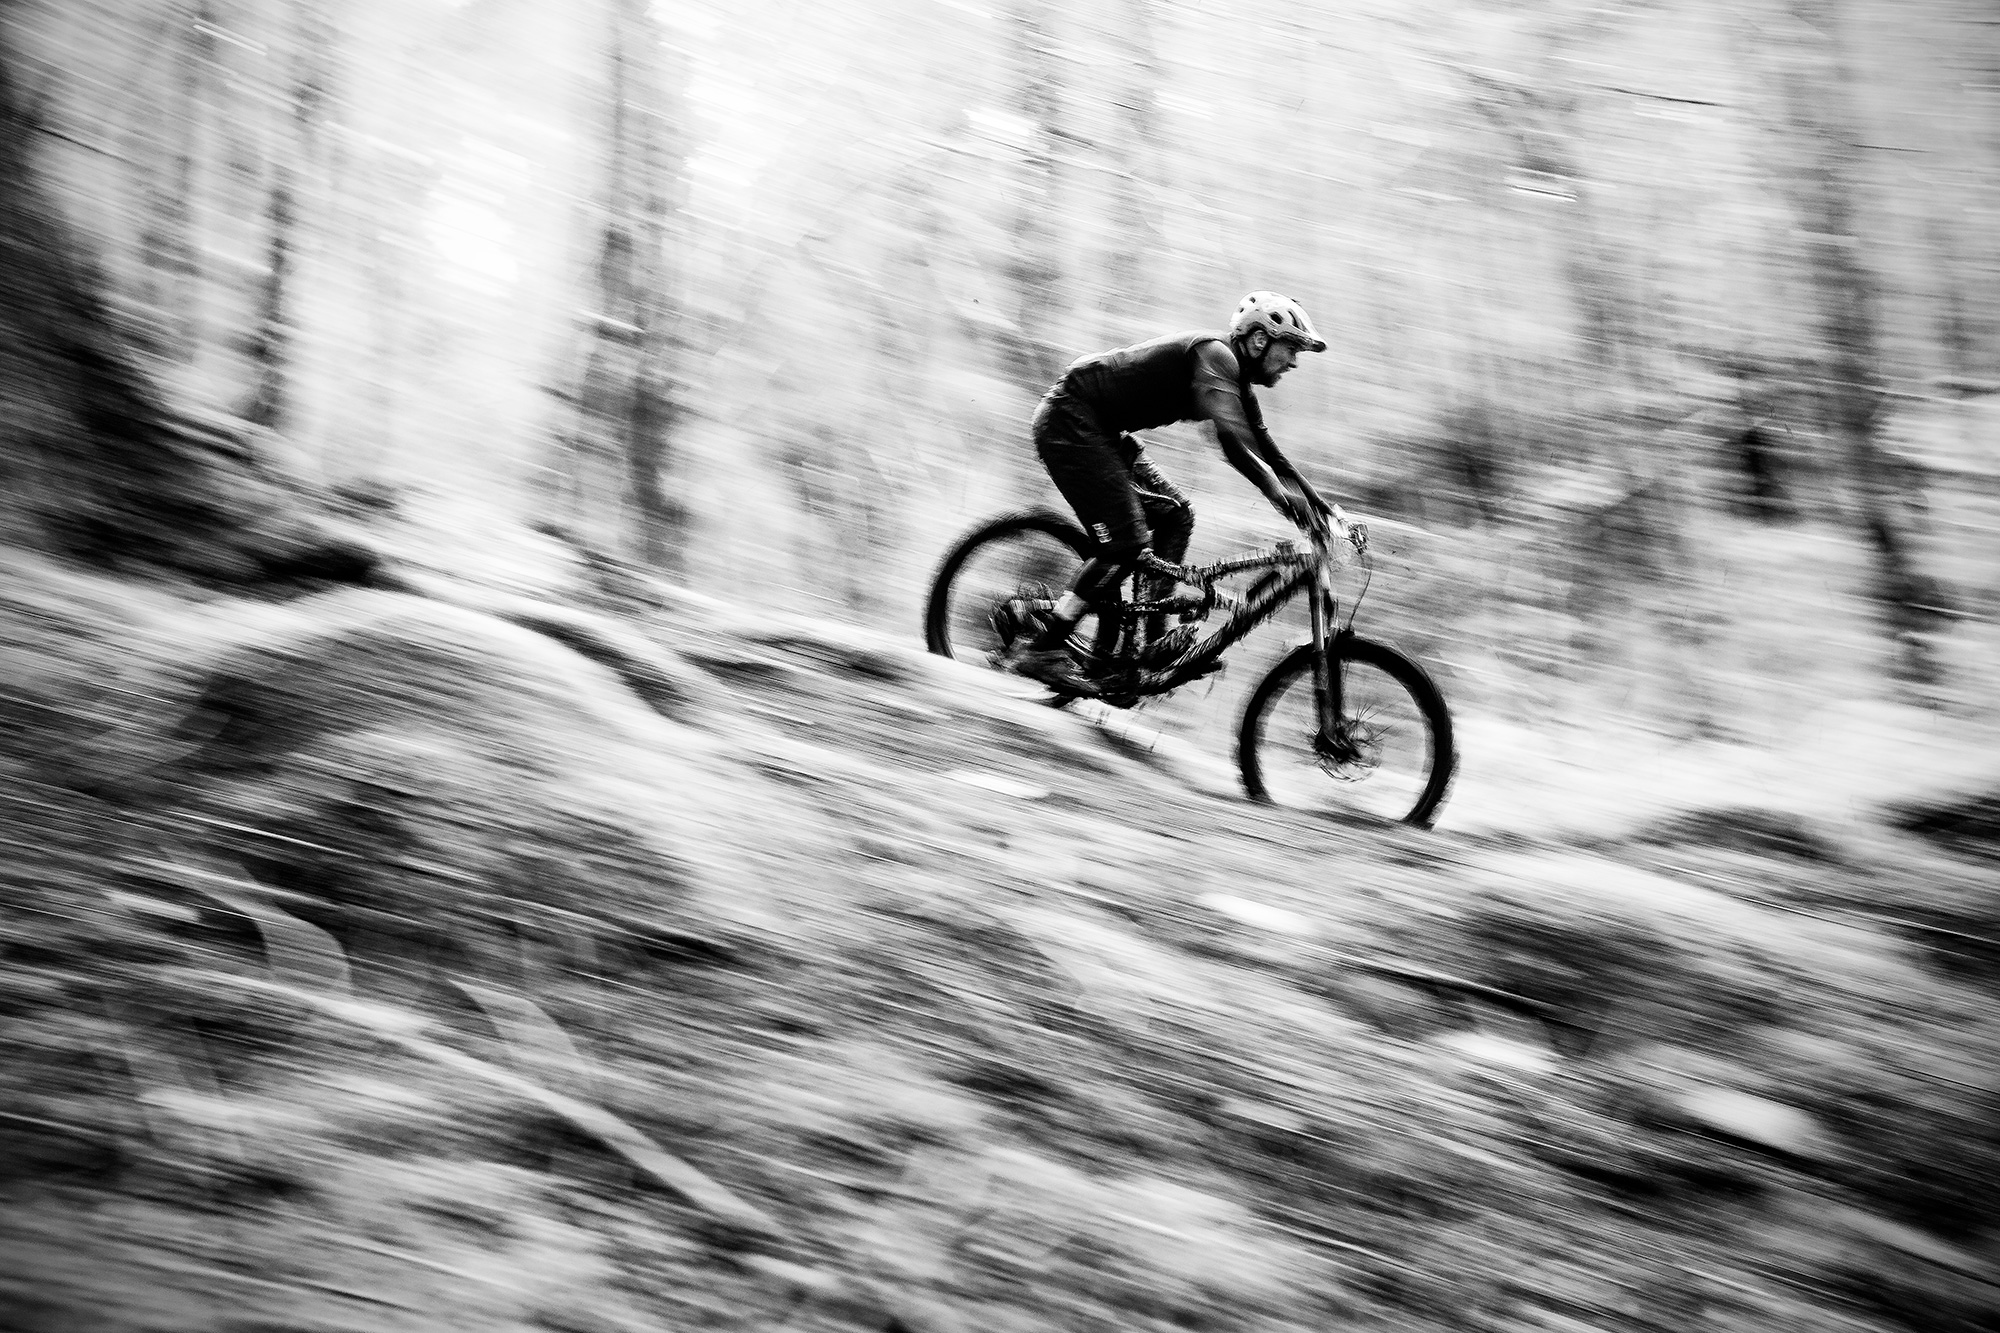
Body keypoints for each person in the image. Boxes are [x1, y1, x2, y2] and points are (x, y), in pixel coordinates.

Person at [1000, 291, 1335, 692]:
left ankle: (1149, 643)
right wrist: (1281, 496)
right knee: (1125, 544)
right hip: (1070, 420)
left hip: (1103, 432)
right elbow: (1235, 433)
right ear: (1260, 339)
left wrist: (1322, 510)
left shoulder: (1236, 382)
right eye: (1291, 348)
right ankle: (1043, 648)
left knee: (1176, 515)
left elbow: (1265, 451)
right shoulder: (1216, 356)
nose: (1294, 361)